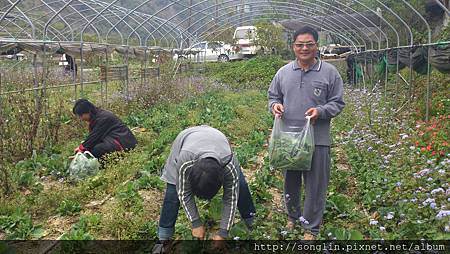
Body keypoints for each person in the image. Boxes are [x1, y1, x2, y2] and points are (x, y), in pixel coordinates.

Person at [267, 26, 345, 240]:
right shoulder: (283, 73)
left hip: (317, 139)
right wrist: (275, 107)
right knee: (290, 180)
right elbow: (273, 97)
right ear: (293, 47)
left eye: (309, 44)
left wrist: (320, 111)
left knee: (316, 184)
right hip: (289, 139)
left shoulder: (329, 73)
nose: (304, 48)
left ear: (316, 46)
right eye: (300, 44)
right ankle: (293, 216)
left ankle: (311, 227)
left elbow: (338, 103)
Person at [157, 125, 256, 242]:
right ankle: (163, 238)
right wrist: (195, 223)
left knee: (241, 186)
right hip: (185, 140)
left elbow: (230, 198)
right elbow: (184, 192)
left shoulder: (228, 164)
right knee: (173, 192)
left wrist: (223, 232)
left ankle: (252, 221)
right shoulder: (185, 162)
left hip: (217, 140)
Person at [72, 99, 137, 159]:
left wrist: (82, 148)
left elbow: (95, 136)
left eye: (81, 116)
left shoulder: (103, 118)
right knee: (90, 148)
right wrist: (83, 146)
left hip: (123, 142)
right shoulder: (97, 116)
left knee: (96, 150)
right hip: (115, 139)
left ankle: (104, 165)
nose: (81, 119)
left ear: (88, 111)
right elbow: (94, 136)